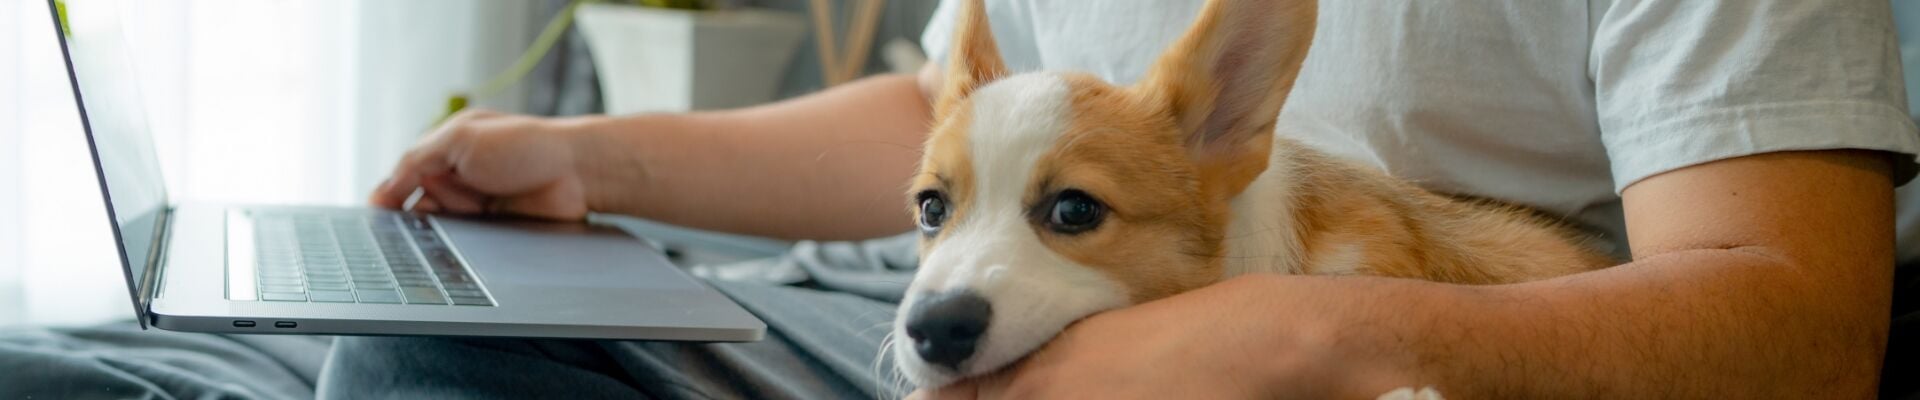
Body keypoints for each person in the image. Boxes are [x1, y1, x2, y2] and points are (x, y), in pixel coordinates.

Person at [326, 0, 1920, 398]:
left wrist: (1293, 339)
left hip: (1383, 344)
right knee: (425, 359)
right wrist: (599, 160)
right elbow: (958, 122)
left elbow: (1798, 312)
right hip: (954, 333)